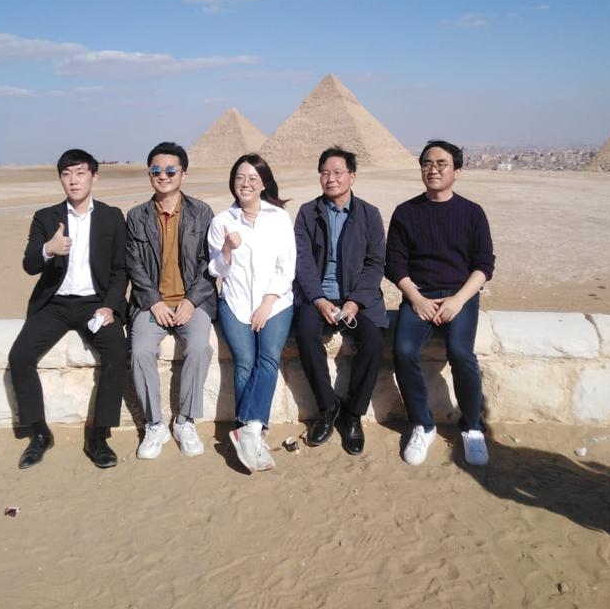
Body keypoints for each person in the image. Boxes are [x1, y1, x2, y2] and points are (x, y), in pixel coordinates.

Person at [7, 149, 128, 470]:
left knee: (118, 352)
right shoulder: (46, 217)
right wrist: (48, 249)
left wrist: (109, 307)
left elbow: (120, 270)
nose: (73, 180)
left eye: (80, 173)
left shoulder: (112, 217)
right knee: (20, 357)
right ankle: (39, 433)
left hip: (95, 304)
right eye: (66, 174)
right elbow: (29, 264)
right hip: (55, 304)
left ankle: (99, 436)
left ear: (94, 177)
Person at [385, 140, 495, 467]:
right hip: (419, 294)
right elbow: (395, 264)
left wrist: (459, 300)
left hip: (459, 296)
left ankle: (472, 427)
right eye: (427, 163)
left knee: (461, 354)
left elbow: (484, 265)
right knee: (403, 351)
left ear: (456, 171)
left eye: (441, 163)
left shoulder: (472, 213)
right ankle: (422, 424)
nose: (433, 169)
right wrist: (416, 299)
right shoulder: (406, 212)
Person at [292, 146, 388, 455]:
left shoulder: (369, 214)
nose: (330, 178)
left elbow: (375, 263)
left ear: (352, 177)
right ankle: (328, 407)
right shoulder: (308, 213)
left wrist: (355, 301)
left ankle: (352, 415)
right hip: (317, 296)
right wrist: (318, 299)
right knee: (305, 334)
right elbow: (303, 261)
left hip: (357, 297)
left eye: (337, 172)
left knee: (373, 341)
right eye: (325, 173)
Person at [126, 141, 216, 459]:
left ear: (183, 174)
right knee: (139, 351)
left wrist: (191, 301)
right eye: (156, 170)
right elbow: (134, 265)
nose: (162, 176)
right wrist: (155, 302)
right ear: (149, 174)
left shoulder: (201, 212)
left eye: (170, 170)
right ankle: (155, 424)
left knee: (199, 347)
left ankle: (185, 421)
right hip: (151, 304)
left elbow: (209, 263)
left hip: (193, 302)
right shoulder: (136, 216)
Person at [208, 154, 295, 473]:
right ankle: (253, 435)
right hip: (235, 302)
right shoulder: (221, 221)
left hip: (276, 302)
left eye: (252, 178)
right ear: (233, 182)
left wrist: (267, 303)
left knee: (268, 359)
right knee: (244, 362)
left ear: (264, 184)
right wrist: (227, 249)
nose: (245, 183)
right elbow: (216, 269)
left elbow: (287, 266)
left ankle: (247, 430)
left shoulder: (279, 218)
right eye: (240, 178)